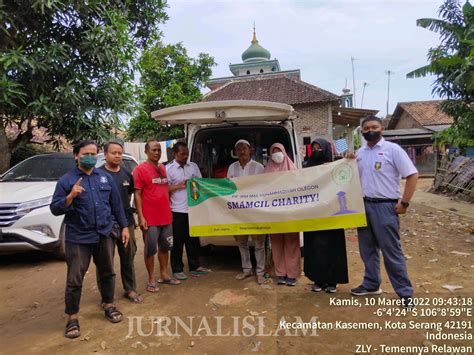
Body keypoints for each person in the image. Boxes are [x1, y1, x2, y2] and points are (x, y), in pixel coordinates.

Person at [50, 140, 129, 339]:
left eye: (94, 154)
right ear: (76, 155)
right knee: (75, 278)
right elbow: (55, 208)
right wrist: (70, 196)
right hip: (79, 237)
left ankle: (109, 305)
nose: (91, 157)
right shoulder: (66, 181)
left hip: (104, 233)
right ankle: (72, 317)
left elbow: (117, 205)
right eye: (86, 154)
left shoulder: (104, 177)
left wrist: (125, 227)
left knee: (108, 272)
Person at [350, 116, 418, 307]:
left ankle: (405, 294)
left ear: (382, 128)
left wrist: (404, 203)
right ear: (362, 131)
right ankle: (371, 284)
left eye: (374, 126)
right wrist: (348, 161)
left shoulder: (393, 150)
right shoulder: (360, 153)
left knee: (391, 251)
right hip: (363, 206)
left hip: (385, 206)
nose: (370, 130)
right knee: (367, 250)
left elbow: (412, 175)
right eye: (366, 128)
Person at [133, 140, 180, 293]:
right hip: (150, 219)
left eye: (159, 150)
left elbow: (165, 189)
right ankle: (151, 278)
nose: (157, 152)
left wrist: (180, 185)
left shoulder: (162, 168)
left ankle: (164, 275)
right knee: (150, 249)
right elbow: (137, 194)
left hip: (166, 216)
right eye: (153, 150)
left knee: (166, 247)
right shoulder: (140, 170)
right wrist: (141, 217)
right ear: (146, 151)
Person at [99, 141, 143, 303]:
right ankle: (107, 297)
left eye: (119, 153)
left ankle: (130, 289)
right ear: (105, 155)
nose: (117, 156)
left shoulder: (126, 173)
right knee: (105, 261)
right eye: (113, 153)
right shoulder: (98, 175)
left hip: (126, 222)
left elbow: (130, 196)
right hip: (106, 224)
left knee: (128, 256)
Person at [303, 138, 349, 293]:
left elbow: (343, 183)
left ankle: (332, 281)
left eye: (320, 148)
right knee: (315, 247)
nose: (317, 151)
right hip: (314, 213)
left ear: (326, 149)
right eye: (314, 148)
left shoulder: (335, 166)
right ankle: (318, 279)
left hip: (332, 212)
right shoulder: (307, 167)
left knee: (332, 247)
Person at [166, 141, 211, 280]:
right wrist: (180, 185)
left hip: (193, 209)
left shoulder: (193, 166)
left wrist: (195, 185)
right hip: (177, 210)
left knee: (193, 240)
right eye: (182, 154)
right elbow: (165, 189)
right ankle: (177, 269)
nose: (185, 156)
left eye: (187, 153)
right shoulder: (168, 169)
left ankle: (195, 267)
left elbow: (201, 183)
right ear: (175, 154)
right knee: (177, 242)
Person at [227, 139, 266, 284]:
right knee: (241, 242)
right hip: (238, 212)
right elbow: (229, 188)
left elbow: (263, 187)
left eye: (244, 148)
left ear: (251, 150)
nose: (241, 151)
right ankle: (247, 270)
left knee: (259, 244)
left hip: (255, 211)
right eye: (238, 149)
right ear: (235, 152)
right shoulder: (232, 167)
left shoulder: (259, 167)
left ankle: (260, 272)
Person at [264, 143, 301, 286]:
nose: (277, 154)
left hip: (290, 213)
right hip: (274, 214)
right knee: (277, 243)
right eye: (274, 151)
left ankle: (292, 275)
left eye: (279, 151)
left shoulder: (293, 169)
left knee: (292, 243)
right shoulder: (266, 171)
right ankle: (280, 274)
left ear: (285, 152)